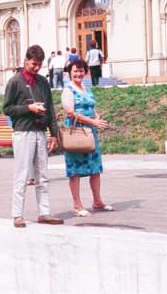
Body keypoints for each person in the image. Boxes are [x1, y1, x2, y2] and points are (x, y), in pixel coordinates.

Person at [3, 45, 63, 228]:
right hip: (23, 133)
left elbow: (51, 109)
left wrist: (53, 134)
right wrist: (28, 108)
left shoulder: (43, 82)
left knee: (43, 176)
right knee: (21, 175)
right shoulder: (15, 82)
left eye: (39, 65)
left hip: (40, 133)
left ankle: (44, 212)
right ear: (25, 61)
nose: (37, 68)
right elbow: (7, 109)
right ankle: (17, 215)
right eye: (34, 64)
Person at [61, 57, 113, 217]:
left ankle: (97, 201)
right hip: (75, 132)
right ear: (70, 73)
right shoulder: (68, 90)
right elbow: (70, 112)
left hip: (90, 133)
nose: (78, 74)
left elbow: (92, 107)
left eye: (81, 71)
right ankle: (77, 205)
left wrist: (98, 120)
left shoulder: (87, 88)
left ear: (85, 72)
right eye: (75, 71)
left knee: (95, 168)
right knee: (75, 170)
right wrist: (92, 121)